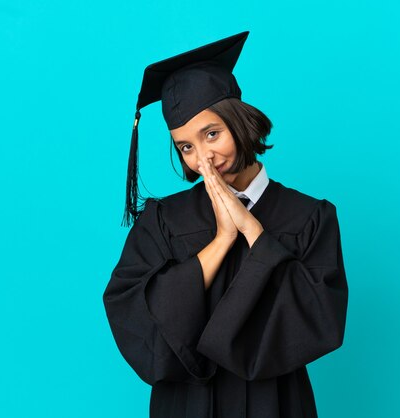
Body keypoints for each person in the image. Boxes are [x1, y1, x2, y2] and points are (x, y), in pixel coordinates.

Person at [102, 31, 349, 418]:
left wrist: (254, 233)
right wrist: (222, 240)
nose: (203, 158)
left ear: (239, 120)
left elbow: (320, 318)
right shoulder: (163, 220)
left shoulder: (309, 217)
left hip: (276, 404)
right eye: (186, 146)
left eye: (212, 134)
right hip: (186, 407)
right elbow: (135, 318)